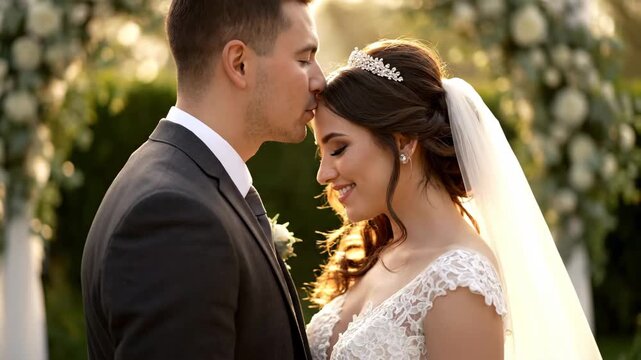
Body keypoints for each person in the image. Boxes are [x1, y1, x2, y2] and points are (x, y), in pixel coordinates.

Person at [306, 39, 602, 360]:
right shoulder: (379, 250)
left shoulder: (460, 281)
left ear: (403, 142)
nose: (323, 174)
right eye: (322, 154)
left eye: (337, 149)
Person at [81, 0, 325, 359]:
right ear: (239, 63)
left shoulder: (184, 181)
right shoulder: (175, 216)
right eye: (304, 59)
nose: (320, 80)